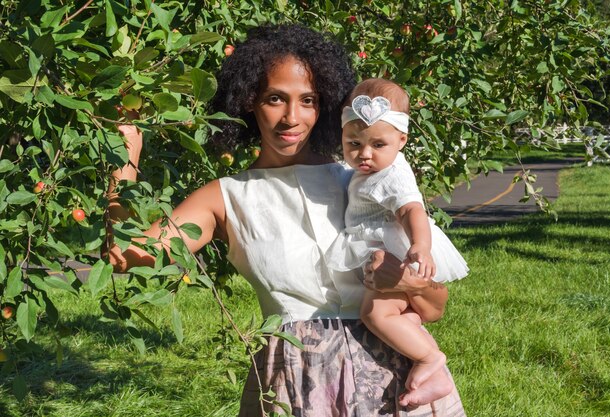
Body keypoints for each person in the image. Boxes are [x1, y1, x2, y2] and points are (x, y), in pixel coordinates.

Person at [106, 24, 466, 417]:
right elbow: (126, 255)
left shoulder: (364, 183)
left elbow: (434, 308)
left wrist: (409, 281)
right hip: (297, 385)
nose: (291, 118)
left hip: (401, 388)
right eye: (275, 98)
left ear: (324, 105)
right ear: (248, 101)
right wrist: (124, 156)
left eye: (307, 100)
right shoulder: (227, 197)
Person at [325, 78, 469, 407]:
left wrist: (420, 245)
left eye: (378, 144)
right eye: (353, 143)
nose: (364, 154)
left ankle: (430, 358)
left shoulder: (392, 175)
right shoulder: (372, 168)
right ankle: (435, 380)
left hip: (394, 255)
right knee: (401, 316)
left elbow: (412, 209)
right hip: (384, 249)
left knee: (375, 314)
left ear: (401, 139)